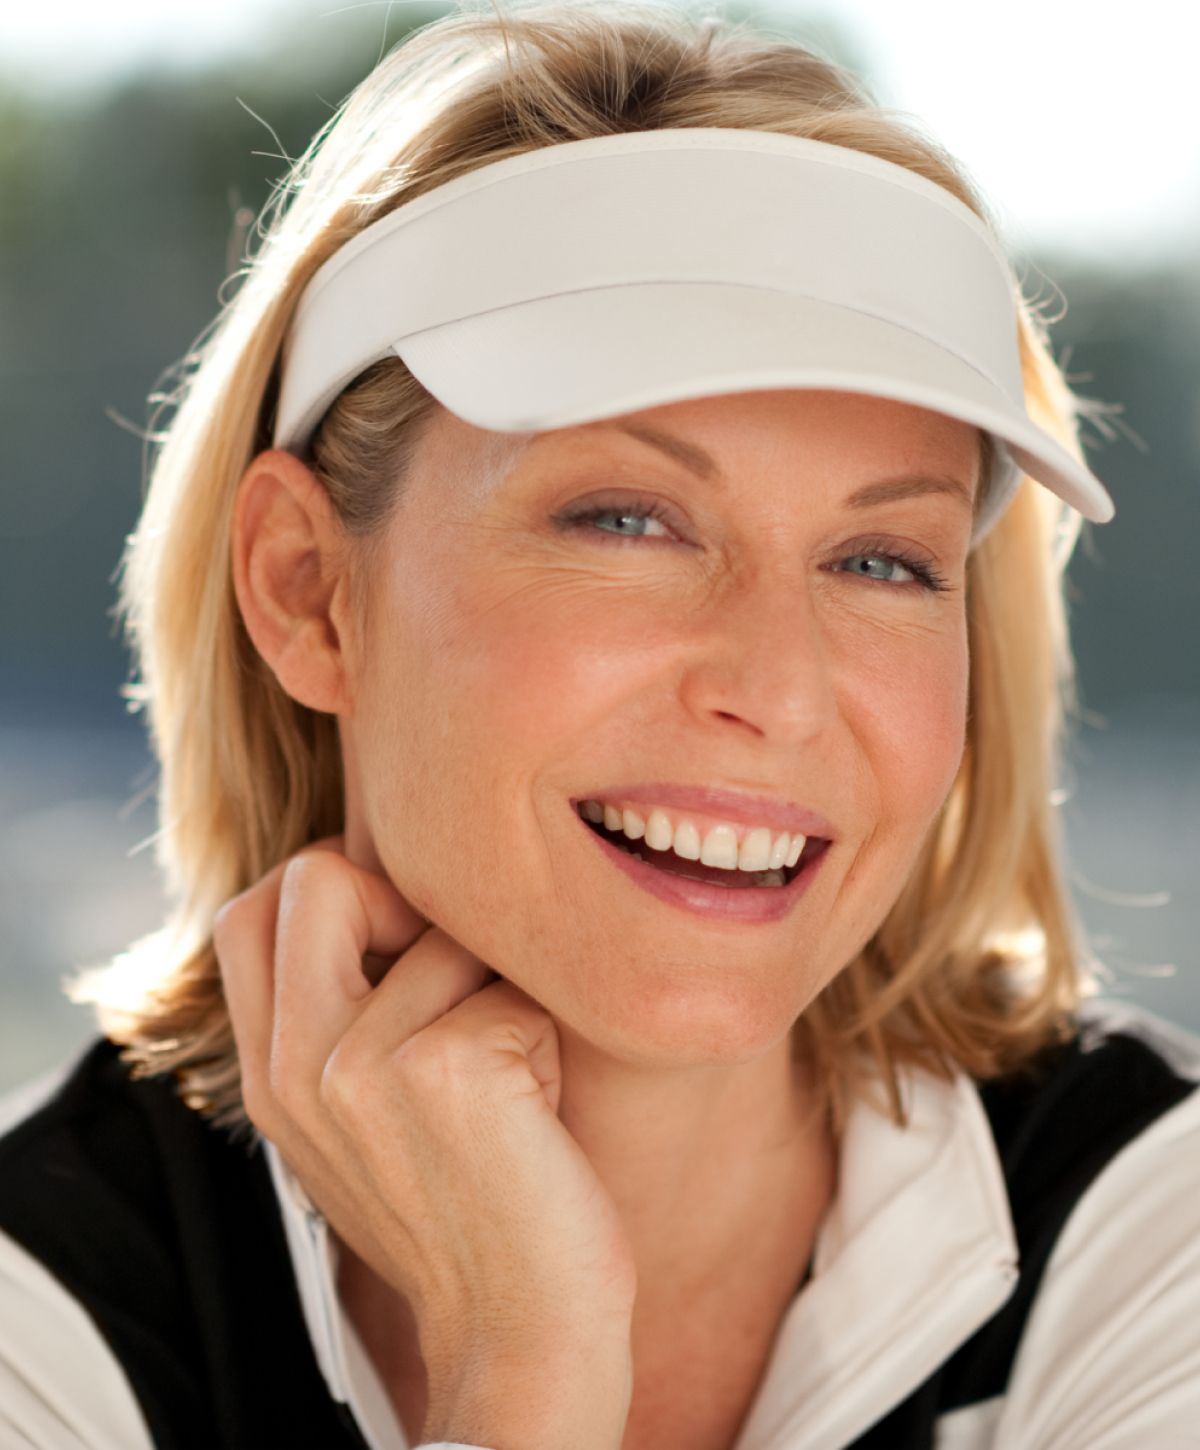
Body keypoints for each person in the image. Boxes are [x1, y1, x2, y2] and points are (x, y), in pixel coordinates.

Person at [1, 2, 1197, 1448]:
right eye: (627, 519)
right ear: (308, 590)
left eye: (880, 560)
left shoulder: (1153, 1231)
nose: (782, 686)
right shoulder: (47, 1320)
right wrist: (530, 1353)